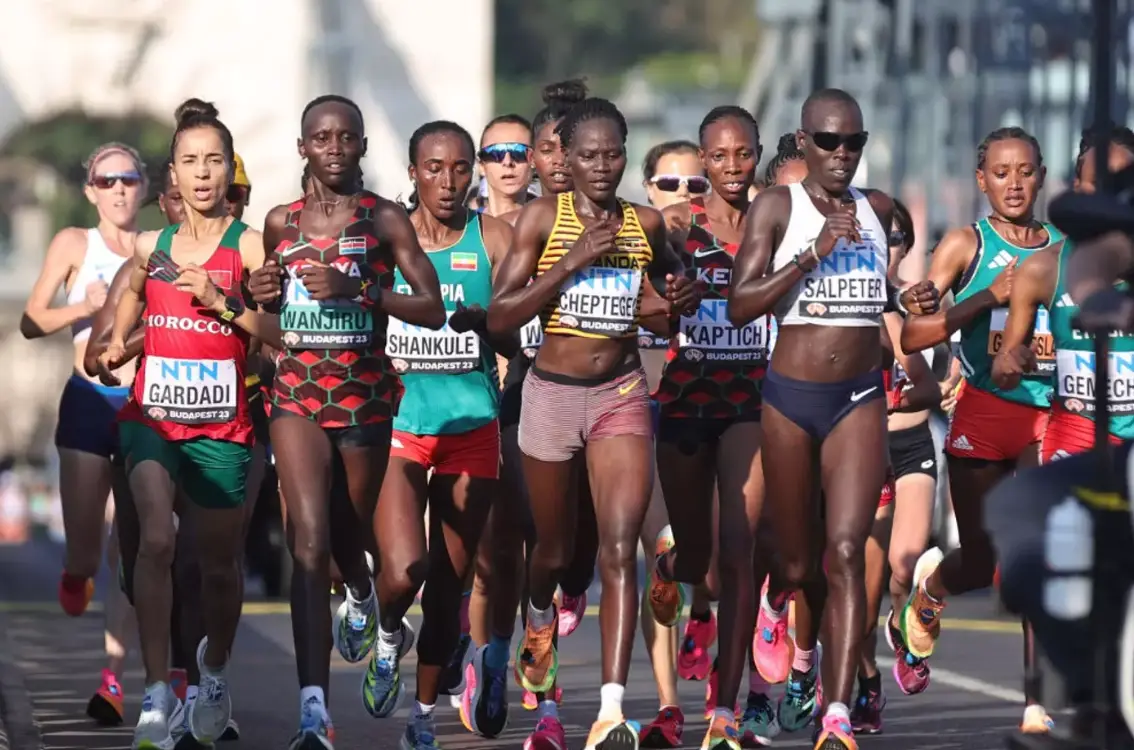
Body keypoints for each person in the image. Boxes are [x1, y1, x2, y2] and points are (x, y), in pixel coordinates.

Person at [727, 88, 936, 750]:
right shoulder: (777, 207)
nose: (841, 155)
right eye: (828, 142)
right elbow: (740, 305)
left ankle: (837, 713)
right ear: (805, 140)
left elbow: (883, 294)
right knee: (796, 558)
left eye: (853, 143)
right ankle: (784, 615)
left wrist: (911, 295)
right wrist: (810, 253)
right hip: (791, 397)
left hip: (857, 399)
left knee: (846, 550)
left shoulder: (876, 211)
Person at [487, 96, 699, 749]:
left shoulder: (645, 224)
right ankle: (539, 615)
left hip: (620, 393)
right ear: (566, 159)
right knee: (551, 551)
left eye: (613, 154)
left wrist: (677, 302)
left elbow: (667, 303)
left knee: (619, 544)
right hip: (550, 396)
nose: (601, 166)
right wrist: (573, 260)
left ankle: (610, 708)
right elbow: (499, 320)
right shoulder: (540, 220)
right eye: (587, 155)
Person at [247, 94, 444, 750]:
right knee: (307, 539)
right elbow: (268, 302)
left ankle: (363, 593)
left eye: (346, 137)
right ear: (303, 148)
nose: (334, 147)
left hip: (363, 399)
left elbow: (432, 307)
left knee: (348, 535)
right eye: (321, 138)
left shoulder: (383, 219)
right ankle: (314, 711)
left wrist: (360, 290)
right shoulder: (281, 222)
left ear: (361, 146)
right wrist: (261, 294)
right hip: (297, 395)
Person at [98, 98, 277, 749]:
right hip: (154, 419)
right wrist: (118, 341)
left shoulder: (250, 245)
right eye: (189, 162)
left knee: (219, 566)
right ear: (171, 175)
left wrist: (222, 301)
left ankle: (215, 669)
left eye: (214, 162)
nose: (202, 174)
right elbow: (128, 300)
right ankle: (153, 693)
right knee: (153, 543)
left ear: (230, 170)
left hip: (223, 427)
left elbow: (279, 335)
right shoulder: (152, 245)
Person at [900, 126, 1062, 733]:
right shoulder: (966, 245)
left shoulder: (1064, 248)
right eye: (1001, 173)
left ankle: (1034, 702)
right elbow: (915, 334)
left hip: (1050, 414)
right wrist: (986, 297)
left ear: (1042, 176)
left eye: (1025, 172)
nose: (1014, 184)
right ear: (981, 180)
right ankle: (932, 588)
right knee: (983, 562)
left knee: (1033, 553)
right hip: (984, 413)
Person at [366, 119, 516, 750]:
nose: (449, 182)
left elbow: (519, 333)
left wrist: (490, 325)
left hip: (473, 427)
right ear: (412, 173)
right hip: (401, 427)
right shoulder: (381, 239)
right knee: (404, 572)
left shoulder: (496, 238)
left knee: (450, 585)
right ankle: (386, 633)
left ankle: (422, 716)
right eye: (434, 168)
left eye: (460, 169)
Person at [461, 80, 590, 744]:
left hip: (559, 398)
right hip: (489, 402)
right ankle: (487, 656)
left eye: (524, 151)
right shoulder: (469, 230)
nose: (512, 164)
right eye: (500, 153)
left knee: (548, 550)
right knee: (498, 552)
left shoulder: (565, 220)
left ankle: (544, 698)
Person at [646, 106, 776, 749]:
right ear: (702, 159)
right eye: (717, 157)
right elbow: (640, 305)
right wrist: (669, 304)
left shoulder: (772, 222)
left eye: (742, 154)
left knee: (740, 550)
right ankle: (671, 566)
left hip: (752, 401)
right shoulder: (676, 227)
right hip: (685, 401)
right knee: (700, 557)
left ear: (756, 154)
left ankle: (725, 711)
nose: (730, 168)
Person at [20, 141, 145, 726]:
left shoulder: (154, 247)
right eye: (107, 180)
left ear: (143, 186)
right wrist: (85, 309)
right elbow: (29, 320)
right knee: (88, 551)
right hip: (88, 403)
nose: (119, 189)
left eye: (128, 178)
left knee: (131, 546)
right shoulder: (76, 243)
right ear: (90, 189)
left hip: (144, 405)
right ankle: (74, 571)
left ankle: (113, 683)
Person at [636, 137, 717, 748]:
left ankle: (708, 616)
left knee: (712, 558)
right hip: (639, 417)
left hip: (715, 418)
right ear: (648, 190)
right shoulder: (623, 247)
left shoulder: (729, 250)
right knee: (662, 548)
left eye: (697, 185)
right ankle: (669, 704)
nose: (685, 197)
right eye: (671, 185)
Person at [991, 126, 1134, 464]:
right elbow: (1004, 370)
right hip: (1075, 436)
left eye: (1123, 187)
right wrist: (1010, 364)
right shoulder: (1043, 269)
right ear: (1077, 190)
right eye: (1100, 185)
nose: (1110, 198)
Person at [478, 114, 535, 217]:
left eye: (518, 152)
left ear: (534, 161)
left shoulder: (550, 226)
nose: (508, 162)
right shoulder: (463, 228)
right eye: (496, 153)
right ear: (481, 165)